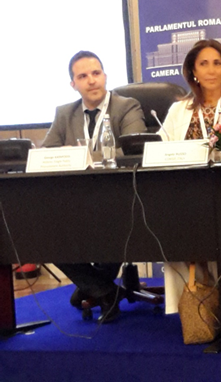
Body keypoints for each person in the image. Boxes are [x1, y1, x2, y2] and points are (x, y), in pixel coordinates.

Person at [43, 50, 147, 322]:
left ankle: (94, 287)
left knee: (111, 226)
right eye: (83, 76)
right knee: (44, 233)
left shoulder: (127, 106)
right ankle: (104, 290)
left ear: (105, 76)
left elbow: (132, 152)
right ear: (73, 84)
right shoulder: (64, 113)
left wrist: (79, 156)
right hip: (76, 200)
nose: (91, 80)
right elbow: (46, 155)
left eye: (96, 73)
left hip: (121, 198)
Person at [159, 39, 221, 314]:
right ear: (193, 71)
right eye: (203, 64)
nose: (211, 70)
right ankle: (192, 304)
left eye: (217, 63)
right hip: (186, 191)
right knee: (174, 225)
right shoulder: (179, 109)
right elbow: (160, 150)